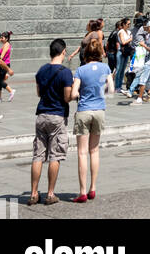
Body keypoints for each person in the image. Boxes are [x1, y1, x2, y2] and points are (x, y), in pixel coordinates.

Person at [30, 38, 74, 205]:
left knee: (38, 156)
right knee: (54, 156)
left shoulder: (41, 70)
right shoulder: (65, 72)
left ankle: (34, 193)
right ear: (63, 51)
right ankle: (50, 193)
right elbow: (67, 97)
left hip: (41, 115)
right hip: (57, 116)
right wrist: (75, 94)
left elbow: (39, 93)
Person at [70, 35, 113, 202]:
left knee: (82, 152)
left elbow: (74, 93)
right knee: (94, 151)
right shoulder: (106, 68)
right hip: (99, 111)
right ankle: (93, 188)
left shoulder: (81, 70)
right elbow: (111, 89)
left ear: (86, 53)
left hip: (84, 111)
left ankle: (82, 192)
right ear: (100, 53)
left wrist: (79, 95)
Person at [128, 19, 150, 103]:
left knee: (142, 79)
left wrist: (144, 45)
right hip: (147, 60)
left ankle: (139, 98)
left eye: (148, 27)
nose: (147, 29)